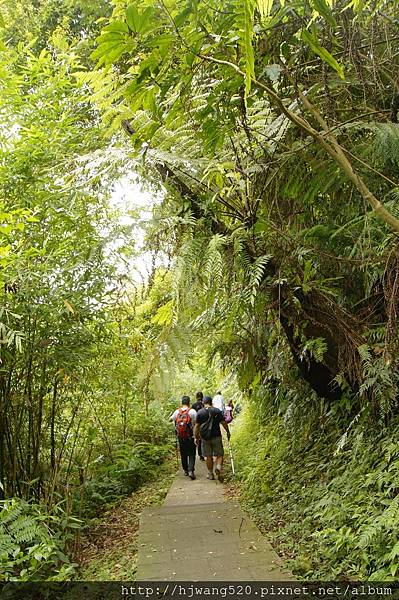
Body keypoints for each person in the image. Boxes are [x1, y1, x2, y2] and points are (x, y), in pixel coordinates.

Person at [194, 396, 230, 482]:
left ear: (203, 403)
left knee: (208, 456)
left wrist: (196, 437)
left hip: (205, 438)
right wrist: (228, 432)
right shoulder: (217, 411)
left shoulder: (200, 412)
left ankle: (210, 474)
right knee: (219, 454)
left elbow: (197, 426)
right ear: (211, 403)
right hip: (216, 436)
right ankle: (218, 467)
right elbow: (223, 422)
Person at [171, 396, 197, 480]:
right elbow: (197, 422)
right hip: (191, 436)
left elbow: (170, 419)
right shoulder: (192, 411)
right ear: (189, 402)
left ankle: (185, 470)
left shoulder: (177, 412)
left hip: (180, 436)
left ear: (181, 403)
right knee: (192, 453)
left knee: (183, 453)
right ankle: (191, 470)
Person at [191, 391, 205, 461]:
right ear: (202, 397)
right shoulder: (204, 404)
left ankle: (201, 455)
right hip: (205, 424)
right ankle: (207, 453)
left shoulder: (193, 405)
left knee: (198, 439)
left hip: (197, 425)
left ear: (196, 397)